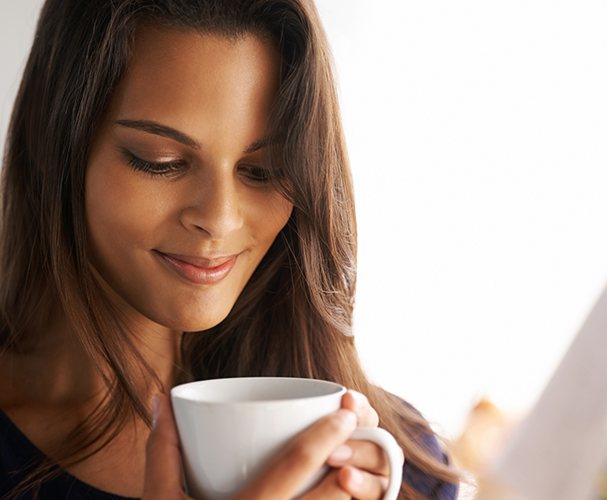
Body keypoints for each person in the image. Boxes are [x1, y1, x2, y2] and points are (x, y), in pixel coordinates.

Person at [0, 0, 459, 498]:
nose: (220, 218)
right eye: (161, 161)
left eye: (262, 170)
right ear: (57, 147)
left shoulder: (396, 467)